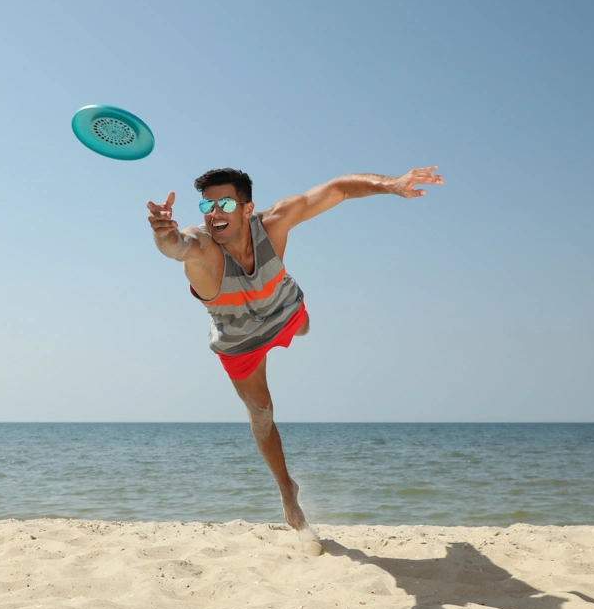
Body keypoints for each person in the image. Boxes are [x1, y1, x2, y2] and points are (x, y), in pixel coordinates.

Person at [146, 166, 443, 555]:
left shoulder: (274, 222)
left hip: (283, 310)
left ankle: (294, 328)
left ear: (247, 208)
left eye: (224, 202)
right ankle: (287, 489)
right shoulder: (202, 248)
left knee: (303, 327)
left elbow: (337, 189)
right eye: (207, 204)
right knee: (261, 413)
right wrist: (163, 235)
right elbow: (176, 247)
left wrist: (392, 185)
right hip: (240, 340)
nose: (214, 211)